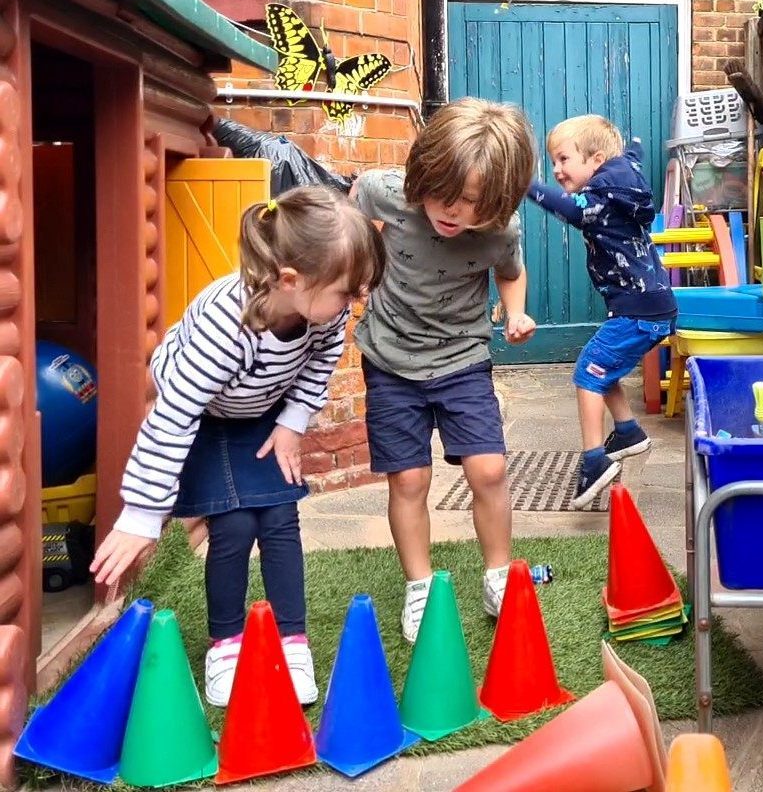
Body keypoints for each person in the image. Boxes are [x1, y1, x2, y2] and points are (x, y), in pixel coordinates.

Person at [91, 187, 386, 707]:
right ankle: (225, 643)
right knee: (232, 523)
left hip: (260, 410)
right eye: (347, 292)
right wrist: (141, 514)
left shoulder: (325, 313)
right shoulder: (226, 326)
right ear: (291, 281)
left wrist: (293, 424)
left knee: (279, 517)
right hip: (203, 413)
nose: (354, 303)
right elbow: (173, 416)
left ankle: (291, 641)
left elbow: (319, 365)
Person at [350, 98, 536, 643]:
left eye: (472, 204)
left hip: (462, 359)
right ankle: (420, 586)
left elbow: (511, 273)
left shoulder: (500, 232)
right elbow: (354, 199)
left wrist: (517, 310)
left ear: (499, 202)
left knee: (489, 471)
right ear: (423, 173)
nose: (453, 213)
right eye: (444, 195)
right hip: (390, 358)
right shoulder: (389, 191)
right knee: (409, 477)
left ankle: (498, 576)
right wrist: (359, 259)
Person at [527, 115, 676, 508]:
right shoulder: (621, 186)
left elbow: (570, 209)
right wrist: (636, 148)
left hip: (637, 310)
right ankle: (626, 431)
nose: (557, 171)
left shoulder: (600, 199)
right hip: (651, 307)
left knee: (586, 374)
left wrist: (525, 186)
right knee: (602, 367)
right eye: (552, 163)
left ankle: (594, 461)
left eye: (563, 160)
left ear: (595, 160)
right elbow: (633, 158)